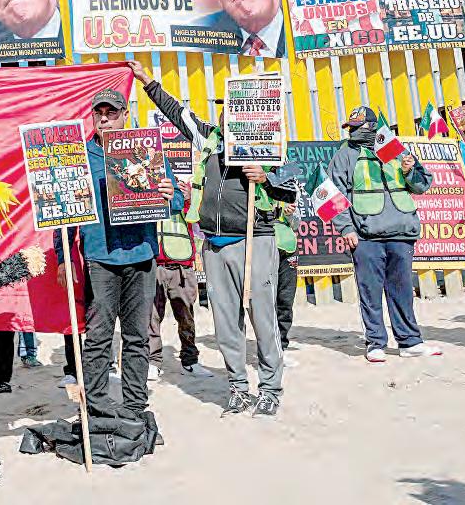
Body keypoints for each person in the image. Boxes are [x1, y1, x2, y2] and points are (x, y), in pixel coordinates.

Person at [134, 60, 298, 418]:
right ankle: (238, 387)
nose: (228, 116)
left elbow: (293, 189)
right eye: (225, 110)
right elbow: (179, 114)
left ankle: (270, 388)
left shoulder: (269, 145)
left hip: (255, 240)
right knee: (225, 322)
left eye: (236, 110)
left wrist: (265, 178)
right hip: (214, 244)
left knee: (262, 317)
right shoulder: (209, 138)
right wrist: (148, 82)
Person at [55, 87, 181, 420]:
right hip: (101, 260)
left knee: (137, 337)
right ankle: (96, 408)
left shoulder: (148, 151)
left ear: (125, 115)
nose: (105, 119)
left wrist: (170, 194)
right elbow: (62, 214)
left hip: (141, 257)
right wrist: (63, 257)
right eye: (99, 113)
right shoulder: (78, 156)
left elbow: (178, 202)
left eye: (112, 113)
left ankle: (135, 408)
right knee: (98, 337)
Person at [326, 107, 442, 363]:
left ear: (372, 126)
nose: (353, 132)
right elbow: (333, 195)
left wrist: (410, 171)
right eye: (350, 128)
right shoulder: (345, 154)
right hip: (365, 237)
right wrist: (346, 228)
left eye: (357, 127)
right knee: (370, 292)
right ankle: (375, 343)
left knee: (402, 290)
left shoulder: (396, 149)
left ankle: (410, 342)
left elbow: (422, 185)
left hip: (401, 232)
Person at [149, 180, 214, 379]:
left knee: (186, 316)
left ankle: (190, 360)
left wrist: (188, 200)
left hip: (182, 264)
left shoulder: (186, 190)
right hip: (154, 262)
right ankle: (152, 362)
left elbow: (198, 223)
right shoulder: (147, 184)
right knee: (151, 317)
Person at [274, 201, 300, 358]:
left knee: (286, 299)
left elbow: (296, 224)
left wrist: (289, 215)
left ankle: (281, 345)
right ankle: (268, 346)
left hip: (288, 249)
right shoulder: (256, 189)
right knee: (266, 301)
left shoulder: (289, 191)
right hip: (263, 247)